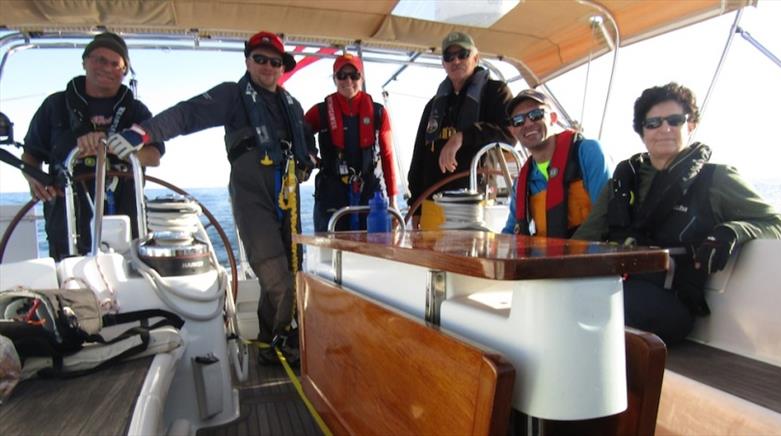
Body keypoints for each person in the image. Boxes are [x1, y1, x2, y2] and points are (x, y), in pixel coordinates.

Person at [107, 31, 316, 365]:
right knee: (276, 276)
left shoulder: (293, 105)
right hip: (251, 195)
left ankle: (272, 340)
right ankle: (277, 339)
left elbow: (308, 143)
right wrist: (144, 132)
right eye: (259, 59)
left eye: (274, 61)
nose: (266, 66)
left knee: (294, 272)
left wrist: (309, 163)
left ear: (282, 67)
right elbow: (188, 114)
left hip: (288, 197)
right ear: (247, 61)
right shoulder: (232, 95)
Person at [573, 82, 781, 344]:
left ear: (691, 125)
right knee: (561, 300)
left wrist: (733, 230)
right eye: (652, 123)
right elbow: (581, 242)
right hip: (617, 287)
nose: (664, 129)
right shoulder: (622, 182)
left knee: (596, 309)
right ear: (642, 132)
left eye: (674, 121)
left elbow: (776, 223)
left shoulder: (717, 179)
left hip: (671, 302)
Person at [21, 32, 164, 260]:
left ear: (124, 70)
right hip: (66, 216)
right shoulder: (54, 106)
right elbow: (30, 155)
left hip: (125, 215)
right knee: (71, 284)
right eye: (100, 60)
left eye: (114, 63)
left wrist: (115, 147)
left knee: (127, 279)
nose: (107, 68)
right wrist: (34, 179)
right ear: (85, 61)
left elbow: (154, 157)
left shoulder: (137, 112)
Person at [407, 31, 513, 230]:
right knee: (432, 262)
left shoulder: (496, 92)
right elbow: (419, 157)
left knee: (475, 261)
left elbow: (510, 135)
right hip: (433, 205)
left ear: (476, 58)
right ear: (443, 64)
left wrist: (462, 137)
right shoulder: (433, 106)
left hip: (476, 204)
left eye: (462, 54)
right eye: (449, 56)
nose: (455, 60)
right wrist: (416, 205)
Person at [304, 53, 398, 232]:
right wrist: (311, 156)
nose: (348, 81)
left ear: (361, 78)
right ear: (334, 79)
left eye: (354, 75)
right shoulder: (320, 112)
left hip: (370, 189)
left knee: (375, 248)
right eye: (342, 75)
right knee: (331, 251)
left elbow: (387, 155)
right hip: (332, 190)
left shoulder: (378, 112)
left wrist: (393, 199)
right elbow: (299, 134)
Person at [501, 89, 611, 236]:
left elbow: (607, 214)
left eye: (536, 115)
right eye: (518, 121)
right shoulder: (521, 182)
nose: (527, 123)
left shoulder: (588, 152)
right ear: (513, 131)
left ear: (553, 118)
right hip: (547, 257)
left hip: (592, 255)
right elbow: (510, 233)